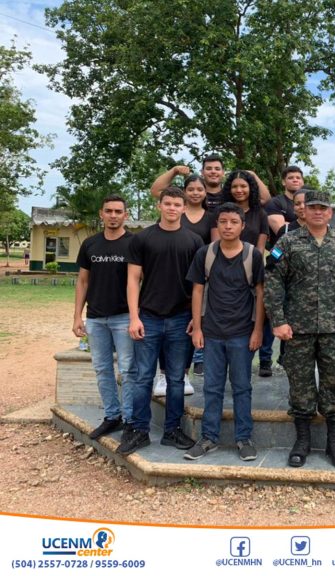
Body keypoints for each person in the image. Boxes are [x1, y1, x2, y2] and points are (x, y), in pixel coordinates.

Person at [264, 190, 335, 468]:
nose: (318, 212)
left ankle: (334, 442)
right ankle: (302, 441)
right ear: (304, 211)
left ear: (330, 212)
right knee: (300, 383)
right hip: (297, 327)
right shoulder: (287, 242)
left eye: (323, 208)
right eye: (313, 207)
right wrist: (278, 320)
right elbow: (273, 281)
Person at [117, 187, 204, 456]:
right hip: (149, 317)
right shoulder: (142, 239)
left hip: (180, 319)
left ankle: (172, 430)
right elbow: (133, 279)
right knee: (143, 376)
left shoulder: (194, 241)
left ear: (184, 208)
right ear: (159, 206)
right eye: (168, 204)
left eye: (177, 205)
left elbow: (199, 286)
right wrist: (134, 317)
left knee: (176, 378)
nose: (172, 208)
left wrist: (196, 319)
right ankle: (139, 430)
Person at [184, 203, 265, 461]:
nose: (228, 226)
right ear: (217, 225)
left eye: (233, 222)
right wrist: (197, 328)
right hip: (212, 332)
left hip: (242, 333)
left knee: (242, 387)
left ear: (243, 226)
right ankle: (209, 437)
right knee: (212, 387)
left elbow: (261, 293)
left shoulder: (253, 256)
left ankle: (244, 438)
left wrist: (258, 330)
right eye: (223, 222)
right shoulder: (205, 253)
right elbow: (197, 291)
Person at [73, 195, 136, 439]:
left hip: (124, 317)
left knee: (128, 371)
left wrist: (136, 316)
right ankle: (112, 416)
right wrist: (77, 316)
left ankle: (130, 420)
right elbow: (83, 281)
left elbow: (139, 280)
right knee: (102, 369)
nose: (113, 215)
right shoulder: (90, 244)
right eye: (108, 211)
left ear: (125, 215)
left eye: (118, 211)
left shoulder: (134, 243)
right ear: (101, 214)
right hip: (96, 318)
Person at [261, 166, 306, 376]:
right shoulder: (286, 230)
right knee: (275, 320)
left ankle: (287, 357)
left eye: (306, 203)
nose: (302, 207)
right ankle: (266, 359)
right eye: (298, 204)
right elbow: (274, 258)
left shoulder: (327, 232)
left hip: (308, 293)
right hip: (286, 286)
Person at [217, 170, 269, 254]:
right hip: (224, 259)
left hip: (251, 259)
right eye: (234, 186)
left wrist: (253, 174)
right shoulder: (221, 212)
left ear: (250, 188)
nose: (238, 190)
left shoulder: (260, 214)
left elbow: (260, 248)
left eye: (243, 186)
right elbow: (216, 244)